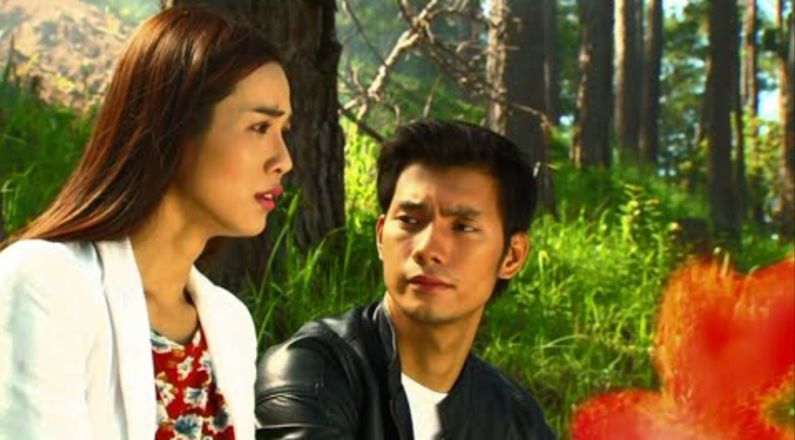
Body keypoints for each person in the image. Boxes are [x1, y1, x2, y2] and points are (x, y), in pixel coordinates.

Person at [0, 6, 292, 439]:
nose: (284, 160)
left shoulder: (230, 324)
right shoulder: (45, 284)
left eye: (285, 130)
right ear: (176, 126)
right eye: (260, 127)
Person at [255, 120, 555, 439]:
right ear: (381, 236)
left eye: (463, 227)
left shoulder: (517, 419)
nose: (427, 249)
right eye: (410, 220)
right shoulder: (308, 373)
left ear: (512, 256)